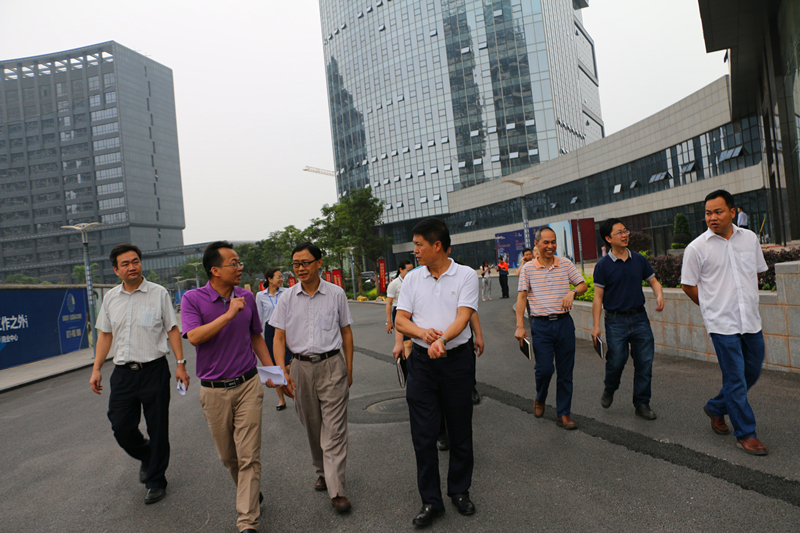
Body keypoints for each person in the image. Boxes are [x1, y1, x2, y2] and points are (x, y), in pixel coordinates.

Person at [181, 241, 283, 533]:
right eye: (233, 263)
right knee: (229, 457)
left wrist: (275, 378)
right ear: (215, 270)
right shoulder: (192, 299)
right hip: (213, 390)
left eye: (239, 262)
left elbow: (256, 338)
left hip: (247, 384)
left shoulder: (246, 297)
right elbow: (195, 337)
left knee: (249, 455)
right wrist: (227, 315)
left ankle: (247, 521)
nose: (239, 268)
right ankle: (250, 492)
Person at [395, 217, 480, 527]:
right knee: (423, 435)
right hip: (421, 364)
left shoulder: (466, 275)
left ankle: (459, 491)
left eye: (419, 245)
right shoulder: (412, 279)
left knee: (460, 430)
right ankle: (431, 501)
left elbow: (463, 317)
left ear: (437, 245)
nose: (415, 251)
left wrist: (442, 340)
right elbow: (401, 319)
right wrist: (423, 334)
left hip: (456, 362)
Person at [89, 243, 188, 505]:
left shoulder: (158, 293)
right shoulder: (111, 298)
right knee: (120, 426)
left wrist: (180, 363)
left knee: (158, 428)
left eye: (135, 261)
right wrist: (96, 368)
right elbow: (105, 335)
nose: (132, 267)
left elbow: (172, 329)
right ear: (116, 270)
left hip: (154, 370)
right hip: (123, 373)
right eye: (125, 264)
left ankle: (156, 480)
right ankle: (147, 455)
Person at [681, 190, 769, 456]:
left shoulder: (749, 238)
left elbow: (755, 272)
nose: (712, 217)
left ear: (732, 212)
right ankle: (746, 433)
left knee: (751, 372)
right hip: (722, 325)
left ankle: (716, 407)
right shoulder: (696, 248)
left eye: (718, 212)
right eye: (708, 213)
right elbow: (688, 285)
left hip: (750, 321)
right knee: (735, 378)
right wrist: (711, 307)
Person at [269, 242, 355, 514]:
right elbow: (278, 337)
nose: (300, 268)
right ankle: (322, 471)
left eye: (305, 262)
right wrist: (281, 371)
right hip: (300, 368)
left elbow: (346, 332)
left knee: (334, 430)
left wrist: (349, 368)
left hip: (332, 365)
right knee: (313, 426)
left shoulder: (336, 293)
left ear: (319, 263)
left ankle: (337, 490)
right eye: (296, 264)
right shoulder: (287, 298)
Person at [591, 219, 664, 420]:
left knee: (645, 362)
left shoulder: (638, 259)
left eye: (625, 231)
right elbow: (598, 298)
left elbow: (654, 281)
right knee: (616, 360)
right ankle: (610, 387)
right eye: (619, 232)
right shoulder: (603, 266)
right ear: (608, 238)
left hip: (640, 318)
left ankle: (642, 403)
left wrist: (659, 294)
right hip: (615, 321)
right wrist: (596, 326)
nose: (625, 235)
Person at [515, 227, 587, 430]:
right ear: (536, 244)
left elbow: (582, 285)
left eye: (553, 242)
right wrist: (520, 326)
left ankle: (563, 414)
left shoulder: (565, 264)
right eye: (546, 242)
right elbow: (522, 297)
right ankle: (540, 397)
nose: (550, 246)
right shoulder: (528, 269)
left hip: (564, 324)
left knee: (565, 372)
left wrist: (573, 292)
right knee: (544, 369)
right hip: (541, 325)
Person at [256, 267, 294, 411]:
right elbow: (259, 317)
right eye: (278, 277)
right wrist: (257, 336)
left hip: (287, 329)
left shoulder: (287, 292)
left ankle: (293, 387)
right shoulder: (260, 295)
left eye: (281, 277)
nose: (281, 279)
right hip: (270, 330)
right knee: (274, 367)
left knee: (289, 364)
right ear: (270, 279)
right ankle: (281, 400)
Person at [386, 259, 414, 369]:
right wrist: (389, 322)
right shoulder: (394, 284)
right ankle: (409, 367)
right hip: (399, 312)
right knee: (407, 342)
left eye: (412, 270)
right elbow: (389, 304)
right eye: (408, 270)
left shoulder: (413, 281)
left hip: (412, 312)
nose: (411, 273)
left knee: (413, 341)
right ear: (401, 270)